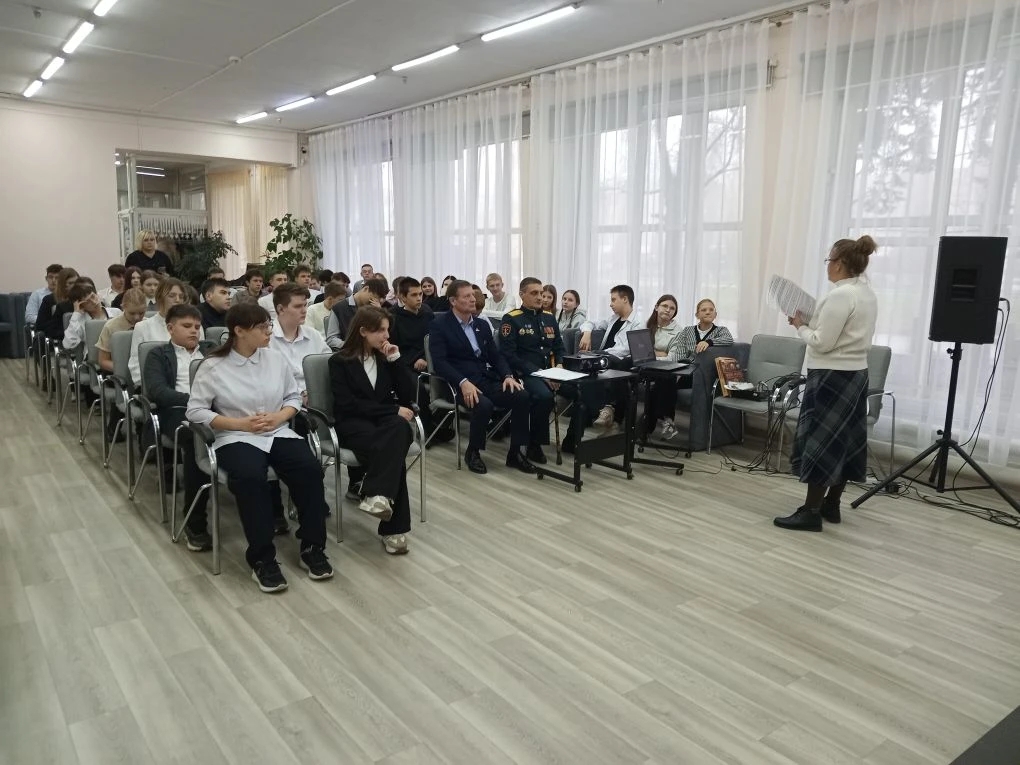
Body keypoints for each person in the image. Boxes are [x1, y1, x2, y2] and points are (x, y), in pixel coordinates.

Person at [186, 303, 332, 592]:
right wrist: (238, 424)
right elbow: (195, 411)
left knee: (309, 469)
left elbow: (293, 398)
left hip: (277, 431)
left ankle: (312, 547)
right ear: (239, 331)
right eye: (262, 327)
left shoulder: (275, 359)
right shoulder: (213, 366)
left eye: (269, 325)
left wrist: (280, 417)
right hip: (236, 436)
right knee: (251, 478)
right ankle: (262, 559)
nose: (269, 332)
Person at [775, 236, 879, 532]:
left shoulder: (840, 296)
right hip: (856, 375)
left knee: (822, 442)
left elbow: (822, 342)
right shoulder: (866, 293)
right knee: (843, 441)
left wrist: (800, 326)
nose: (827, 266)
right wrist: (810, 324)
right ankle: (831, 505)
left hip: (831, 377)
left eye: (828, 260)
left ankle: (810, 512)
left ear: (839, 263)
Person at [330, 306, 419, 554]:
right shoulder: (339, 361)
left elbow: (409, 396)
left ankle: (376, 495)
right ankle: (393, 529)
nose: (386, 336)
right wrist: (392, 410)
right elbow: (347, 405)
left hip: (382, 425)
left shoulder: (385, 359)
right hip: (354, 425)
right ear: (362, 331)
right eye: (380, 330)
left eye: (387, 330)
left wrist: (396, 361)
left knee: (399, 429)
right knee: (395, 446)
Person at [429, 280, 534, 475]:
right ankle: (473, 452)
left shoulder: (481, 325)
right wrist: (463, 382)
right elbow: (440, 363)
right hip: (458, 383)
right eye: (467, 296)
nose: (473, 299)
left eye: (473, 295)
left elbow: (496, 356)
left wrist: (507, 375)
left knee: (521, 395)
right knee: (483, 405)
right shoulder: (440, 325)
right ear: (453, 301)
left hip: (485, 379)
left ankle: (515, 453)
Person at [143, 304, 214, 552]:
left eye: (197, 326)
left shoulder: (211, 350)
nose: (194, 331)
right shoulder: (158, 354)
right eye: (187, 326)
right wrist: (194, 400)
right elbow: (158, 391)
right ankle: (195, 522)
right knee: (197, 440)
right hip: (177, 412)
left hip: (216, 409)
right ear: (170, 328)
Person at [498, 278, 564, 465]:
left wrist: (559, 364)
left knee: (580, 391)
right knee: (544, 396)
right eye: (534, 293)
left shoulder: (549, 317)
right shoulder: (512, 319)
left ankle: (572, 443)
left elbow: (559, 347)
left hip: (552, 371)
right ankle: (534, 445)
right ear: (522, 295)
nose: (540, 297)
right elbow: (509, 355)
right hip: (526, 373)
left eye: (541, 293)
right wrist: (540, 372)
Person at [389, 277, 450, 442]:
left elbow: (434, 340)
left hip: (427, 360)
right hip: (403, 364)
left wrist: (424, 358)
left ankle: (441, 423)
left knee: (449, 379)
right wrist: (413, 360)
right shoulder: (393, 317)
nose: (419, 298)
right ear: (403, 297)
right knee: (418, 388)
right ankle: (428, 431)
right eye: (414, 295)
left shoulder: (427, 313)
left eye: (420, 294)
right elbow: (394, 348)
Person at [578, 284, 643, 427]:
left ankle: (603, 411)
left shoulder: (638, 323)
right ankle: (592, 412)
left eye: (614, 300)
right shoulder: (613, 319)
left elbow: (626, 349)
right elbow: (589, 322)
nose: (610, 304)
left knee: (592, 362)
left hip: (619, 361)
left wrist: (601, 353)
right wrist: (587, 333)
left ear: (625, 299)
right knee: (581, 363)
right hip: (603, 358)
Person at [268, 283, 330, 399]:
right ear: (280, 309)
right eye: (297, 306)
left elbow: (328, 367)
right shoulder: (266, 339)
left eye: (305, 305)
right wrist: (301, 394)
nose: (304, 310)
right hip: (282, 401)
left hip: (316, 397)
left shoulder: (314, 336)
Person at [129, 278, 193, 385]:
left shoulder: (193, 327)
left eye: (181, 297)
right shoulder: (143, 327)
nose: (177, 300)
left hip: (188, 383)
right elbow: (135, 366)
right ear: (160, 298)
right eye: (172, 296)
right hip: (156, 385)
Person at [642, 295, 686, 440]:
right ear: (656, 307)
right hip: (644, 368)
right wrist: (659, 353)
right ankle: (666, 421)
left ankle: (650, 426)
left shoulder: (679, 332)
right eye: (665, 306)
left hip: (663, 370)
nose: (668, 310)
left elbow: (672, 359)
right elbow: (638, 351)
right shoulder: (646, 325)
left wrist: (651, 353)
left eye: (672, 308)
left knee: (665, 377)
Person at [325, 278, 387, 350]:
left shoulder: (372, 310)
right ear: (366, 289)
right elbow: (331, 339)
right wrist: (351, 346)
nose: (372, 302)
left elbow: (382, 335)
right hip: (348, 352)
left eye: (376, 301)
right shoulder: (339, 308)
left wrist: (379, 313)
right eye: (372, 298)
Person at [97, 288, 147, 373]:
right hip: (119, 373)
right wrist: (126, 370)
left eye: (141, 313)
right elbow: (103, 361)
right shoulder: (111, 327)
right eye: (132, 313)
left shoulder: (148, 325)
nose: (137, 317)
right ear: (123, 307)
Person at [63, 282, 122, 350]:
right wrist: (76, 314)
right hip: (92, 354)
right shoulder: (81, 321)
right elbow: (68, 344)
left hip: (117, 351)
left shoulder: (116, 312)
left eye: (93, 296)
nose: (94, 302)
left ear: (97, 294)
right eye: (87, 302)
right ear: (81, 306)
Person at [36, 267, 78, 339]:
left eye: (77, 282)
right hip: (58, 338)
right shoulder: (49, 300)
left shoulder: (81, 299)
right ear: (63, 285)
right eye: (71, 283)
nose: (75, 286)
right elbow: (40, 327)